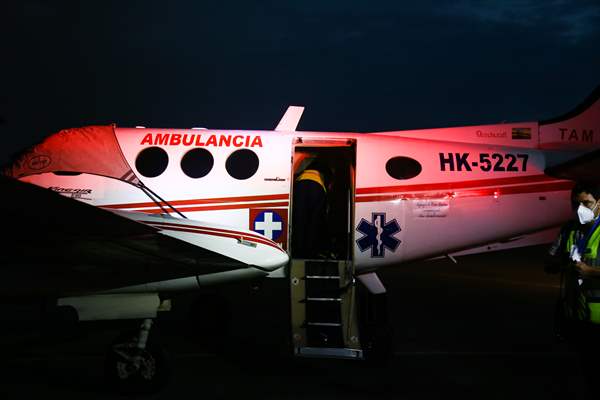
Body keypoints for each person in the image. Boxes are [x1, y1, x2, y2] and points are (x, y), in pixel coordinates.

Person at [291, 158, 332, 259]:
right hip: (317, 187)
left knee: (299, 220)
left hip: (300, 185)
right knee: (314, 221)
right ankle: (310, 252)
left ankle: (299, 251)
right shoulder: (326, 166)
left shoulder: (303, 162)